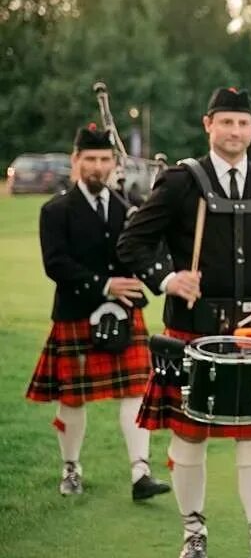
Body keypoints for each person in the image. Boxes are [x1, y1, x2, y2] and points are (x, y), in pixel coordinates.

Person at [116, 87, 251, 558]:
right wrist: (167, 277)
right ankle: (193, 534)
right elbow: (133, 242)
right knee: (189, 439)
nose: (235, 132)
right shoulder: (181, 181)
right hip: (190, 332)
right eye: (226, 123)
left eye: (243, 124)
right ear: (208, 125)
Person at [26, 122, 170, 501]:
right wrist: (106, 285)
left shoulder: (127, 209)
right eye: (90, 159)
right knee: (72, 398)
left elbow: (141, 254)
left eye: (104, 159)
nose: (97, 167)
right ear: (75, 161)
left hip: (124, 315)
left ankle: (141, 472)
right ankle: (70, 467)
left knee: (137, 391)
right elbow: (55, 264)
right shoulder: (55, 211)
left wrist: (145, 278)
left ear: (113, 163)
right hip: (76, 314)